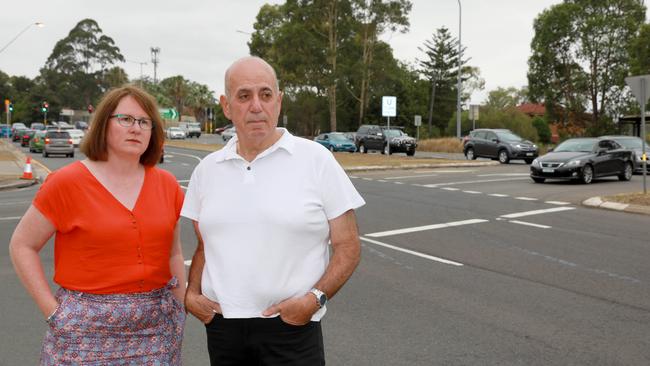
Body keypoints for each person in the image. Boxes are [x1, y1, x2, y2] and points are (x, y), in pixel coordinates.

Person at [182, 56, 365, 365]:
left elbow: (348, 244)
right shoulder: (207, 170)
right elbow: (205, 242)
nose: (256, 105)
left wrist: (314, 300)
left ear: (279, 102)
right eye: (244, 96)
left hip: (292, 326)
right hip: (224, 327)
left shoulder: (316, 160)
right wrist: (192, 294)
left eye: (265, 95)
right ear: (226, 106)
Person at [9, 85, 186, 365]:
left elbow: (174, 253)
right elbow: (22, 245)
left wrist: (179, 305)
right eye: (125, 119)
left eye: (144, 122)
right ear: (104, 124)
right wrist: (53, 312)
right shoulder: (67, 182)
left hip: (156, 332)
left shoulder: (168, 186)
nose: (136, 128)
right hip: (80, 331)